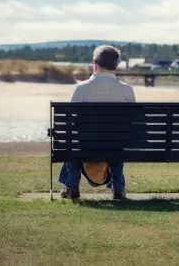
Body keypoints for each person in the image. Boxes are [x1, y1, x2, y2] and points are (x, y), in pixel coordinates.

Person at [58, 45, 136, 200]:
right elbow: (132, 121)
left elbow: (71, 121)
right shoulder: (126, 90)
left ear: (94, 64)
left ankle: (72, 187)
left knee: (72, 146)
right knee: (115, 144)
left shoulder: (81, 88)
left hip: (86, 145)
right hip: (116, 146)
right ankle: (118, 189)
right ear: (116, 65)